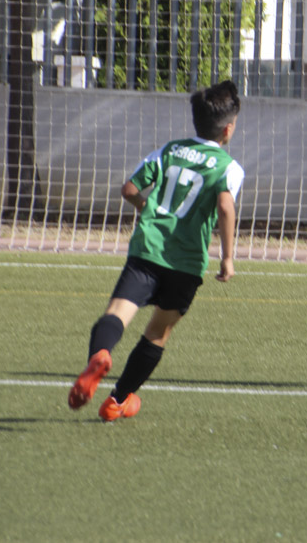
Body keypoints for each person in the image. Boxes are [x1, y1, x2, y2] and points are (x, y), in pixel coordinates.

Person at [68, 80, 244, 421]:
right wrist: (227, 257)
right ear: (229, 129)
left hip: (148, 248)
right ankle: (117, 401)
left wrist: (151, 208)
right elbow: (225, 207)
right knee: (157, 332)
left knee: (117, 313)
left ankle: (100, 355)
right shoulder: (229, 167)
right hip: (187, 263)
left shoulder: (169, 150)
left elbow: (130, 188)